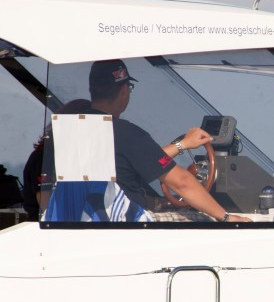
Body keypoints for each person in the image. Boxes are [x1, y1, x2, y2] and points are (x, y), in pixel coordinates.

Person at [85, 60, 250, 223]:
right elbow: (182, 182)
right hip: (126, 220)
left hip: (88, 215)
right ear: (123, 91)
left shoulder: (77, 129)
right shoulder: (126, 133)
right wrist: (227, 217)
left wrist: (183, 145)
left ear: (92, 89)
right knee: (205, 219)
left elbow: (149, 159)